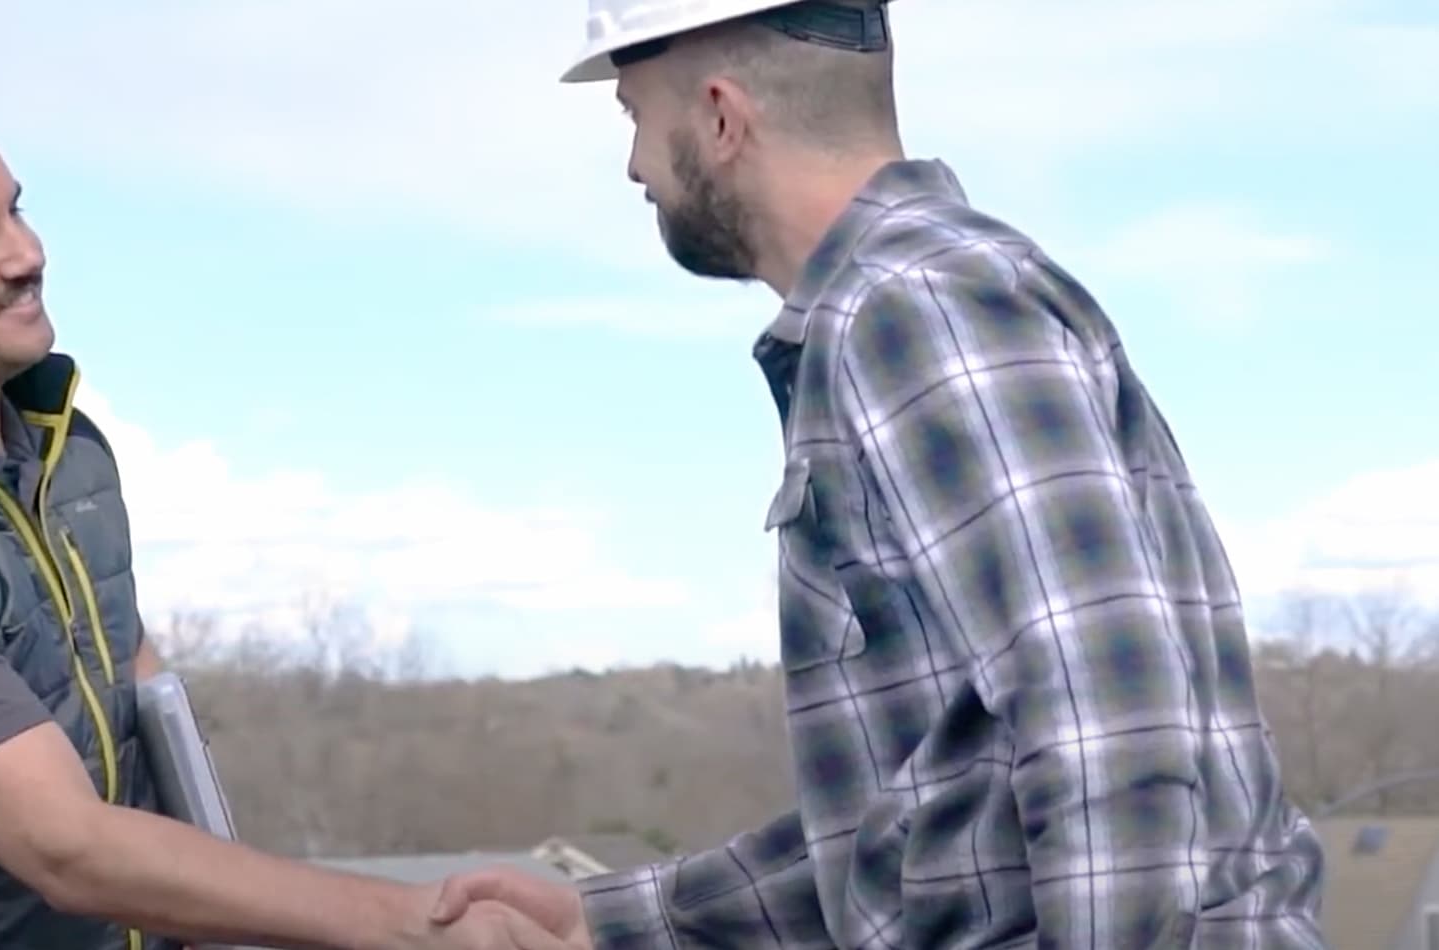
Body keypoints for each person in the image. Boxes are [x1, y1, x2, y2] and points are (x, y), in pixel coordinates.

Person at [431, 1, 1328, 947]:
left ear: (722, 117)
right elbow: (924, 834)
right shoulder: (896, 313)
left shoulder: (916, 309)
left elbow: (1109, 726)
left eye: (634, 118)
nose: (633, 166)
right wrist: (608, 920)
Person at [0, 70, 563, 950]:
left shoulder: (65, 455)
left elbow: (150, 729)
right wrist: (409, 924)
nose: (26, 252)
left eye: (16, 210)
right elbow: (68, 848)